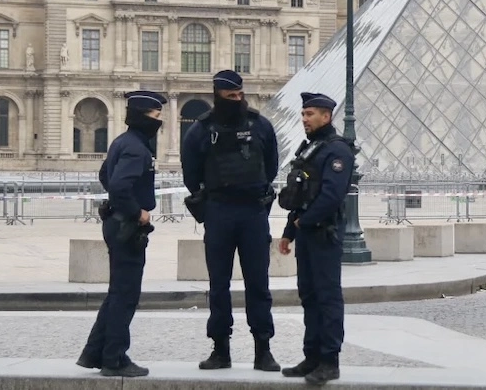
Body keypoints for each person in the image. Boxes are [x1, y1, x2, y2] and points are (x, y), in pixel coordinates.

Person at [180, 70, 281, 371]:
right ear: (218, 95)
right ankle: (220, 349)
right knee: (219, 285)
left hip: (252, 212)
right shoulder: (201, 130)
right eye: (230, 96)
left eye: (239, 95)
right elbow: (190, 174)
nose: (236, 99)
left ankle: (263, 348)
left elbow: (271, 166)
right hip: (220, 211)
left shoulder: (260, 125)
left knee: (259, 284)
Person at [76, 90, 166, 378]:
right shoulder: (137, 148)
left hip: (115, 222)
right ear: (142, 116)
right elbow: (117, 185)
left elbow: (105, 175)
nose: (159, 121)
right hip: (127, 226)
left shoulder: (122, 141)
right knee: (126, 294)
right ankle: (115, 357)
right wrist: (137, 211)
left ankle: (95, 353)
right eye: (155, 116)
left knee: (117, 292)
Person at [278, 92, 354, 385]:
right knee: (308, 296)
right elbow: (301, 195)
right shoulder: (311, 150)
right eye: (303, 114)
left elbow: (331, 196)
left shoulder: (337, 151)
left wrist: (303, 221)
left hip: (324, 233)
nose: (304, 119)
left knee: (327, 297)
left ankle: (329, 360)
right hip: (308, 233)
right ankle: (311, 356)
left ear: (327, 116)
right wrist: (289, 231)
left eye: (310, 114)